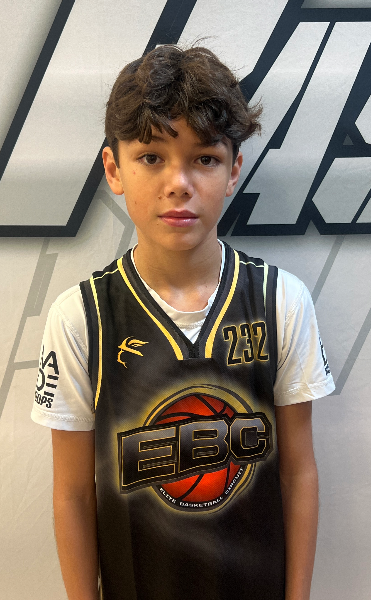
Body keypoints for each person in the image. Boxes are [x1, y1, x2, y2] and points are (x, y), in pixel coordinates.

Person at [32, 45, 335, 600]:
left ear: (233, 169)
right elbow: (72, 494)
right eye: (152, 157)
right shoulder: (81, 316)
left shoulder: (281, 301)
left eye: (205, 159)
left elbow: (298, 473)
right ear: (113, 169)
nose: (178, 183)